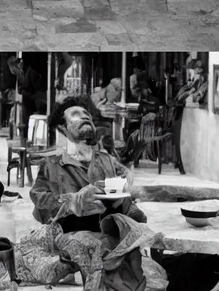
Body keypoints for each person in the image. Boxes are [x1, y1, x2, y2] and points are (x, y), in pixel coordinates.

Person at [32, 97, 139, 231]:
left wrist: (126, 189)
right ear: (62, 126)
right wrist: (72, 203)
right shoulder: (52, 163)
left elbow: (126, 195)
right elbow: (39, 200)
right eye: (76, 115)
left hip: (109, 232)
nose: (84, 117)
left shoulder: (106, 159)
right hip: (72, 235)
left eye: (87, 114)